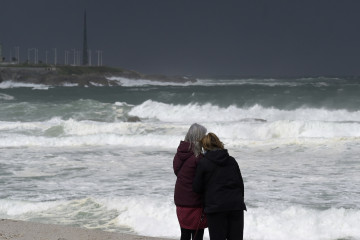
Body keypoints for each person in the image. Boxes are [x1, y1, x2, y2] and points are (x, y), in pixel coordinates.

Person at [193, 133, 246, 240]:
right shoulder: (231, 160)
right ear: (218, 143)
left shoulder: (203, 163)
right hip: (235, 206)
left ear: (205, 147)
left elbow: (197, 188)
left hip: (215, 208)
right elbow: (240, 185)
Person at [173, 123, 208, 240]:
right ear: (199, 137)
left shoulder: (179, 154)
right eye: (204, 136)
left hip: (180, 202)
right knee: (198, 236)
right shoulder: (198, 158)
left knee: (185, 234)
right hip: (195, 203)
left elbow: (179, 173)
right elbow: (203, 182)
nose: (205, 138)